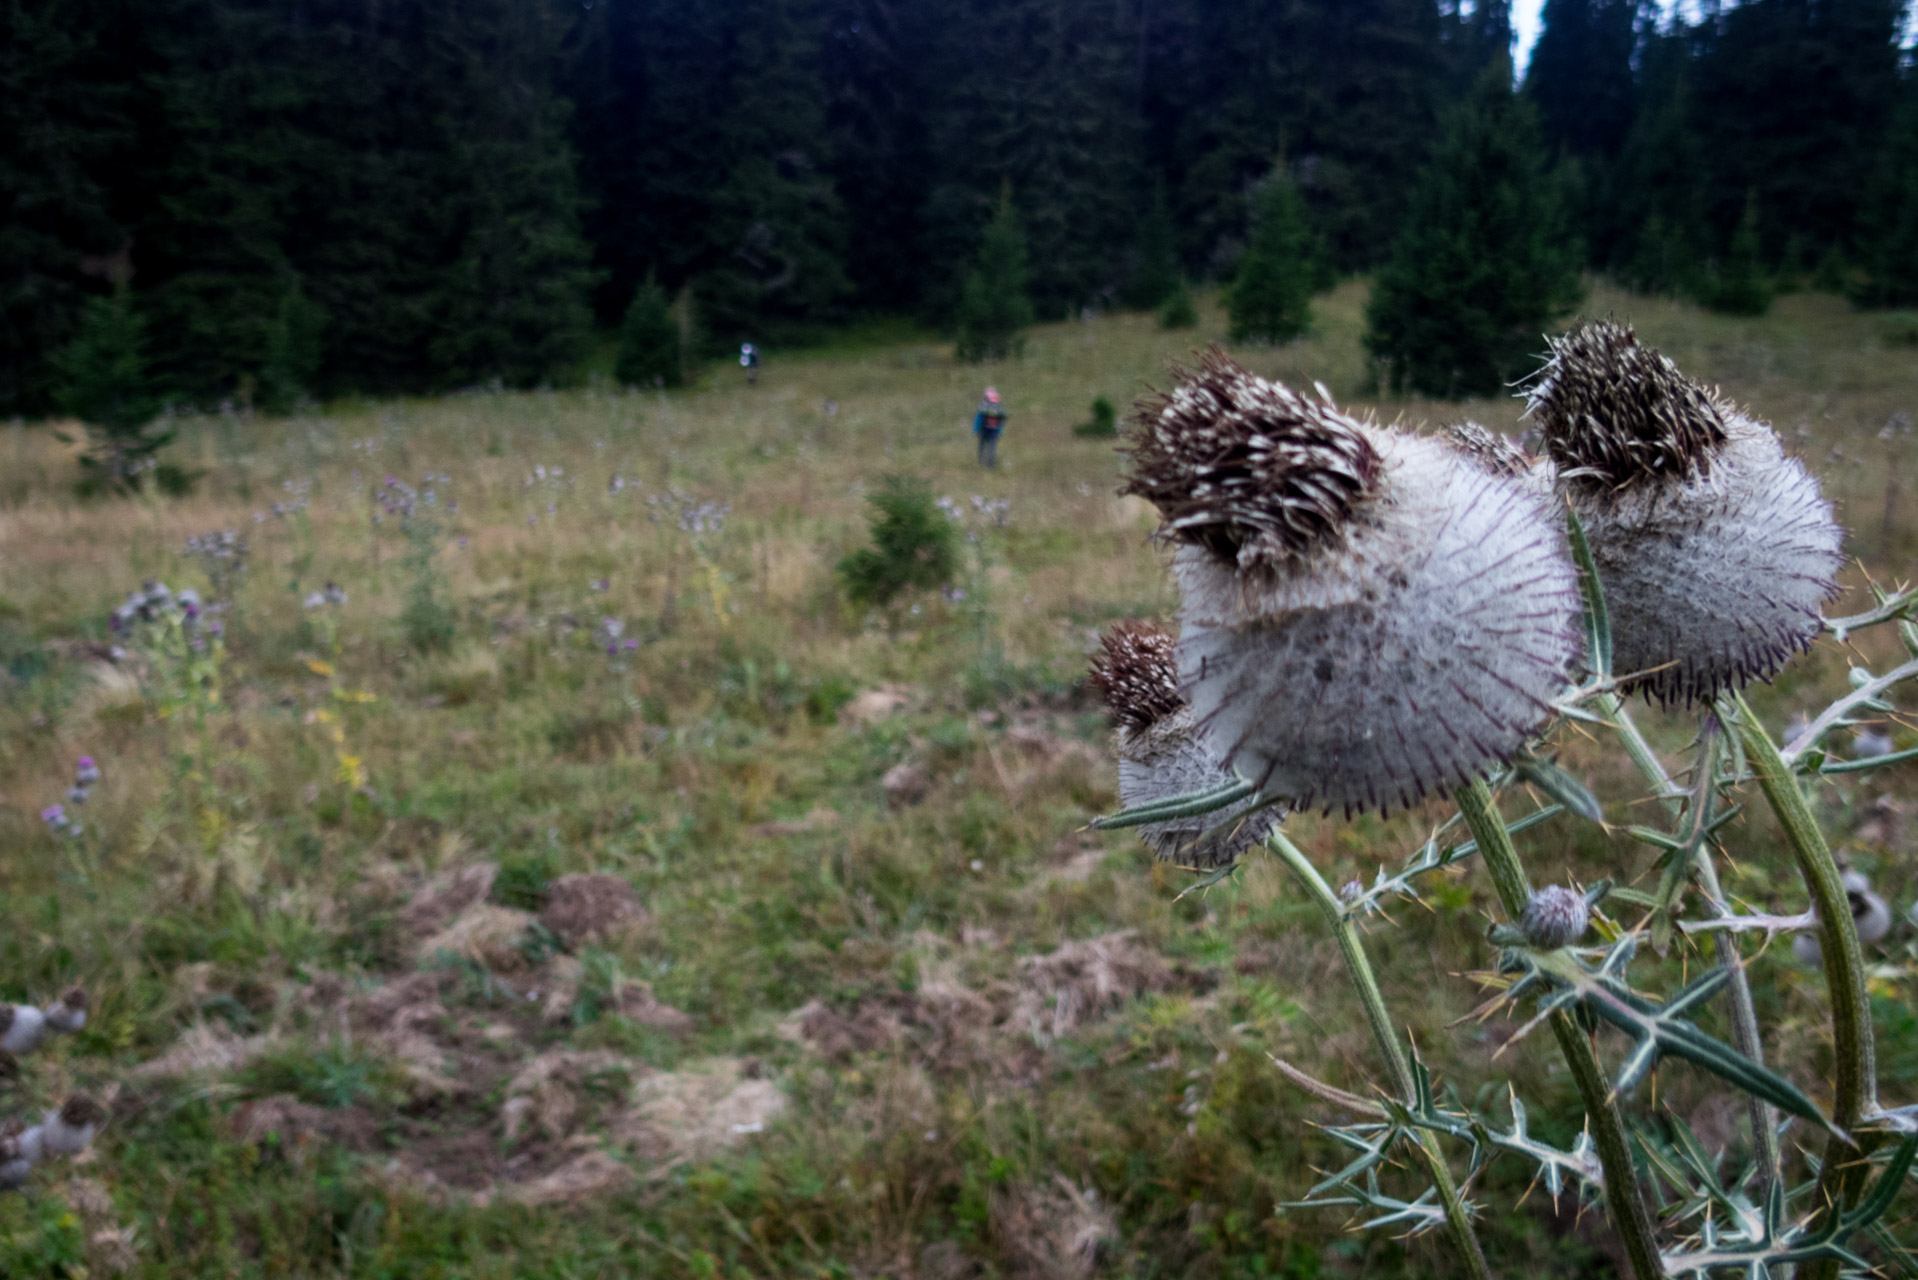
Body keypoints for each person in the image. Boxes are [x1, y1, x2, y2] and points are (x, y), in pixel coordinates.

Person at [972, 386, 1007, 467]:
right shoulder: (998, 409)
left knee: (982, 446)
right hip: (994, 431)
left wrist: (976, 430)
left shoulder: (984, 408)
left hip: (984, 430)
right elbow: (1000, 423)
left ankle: (981, 460)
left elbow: (978, 420)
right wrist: (999, 433)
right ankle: (990, 464)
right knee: (992, 448)